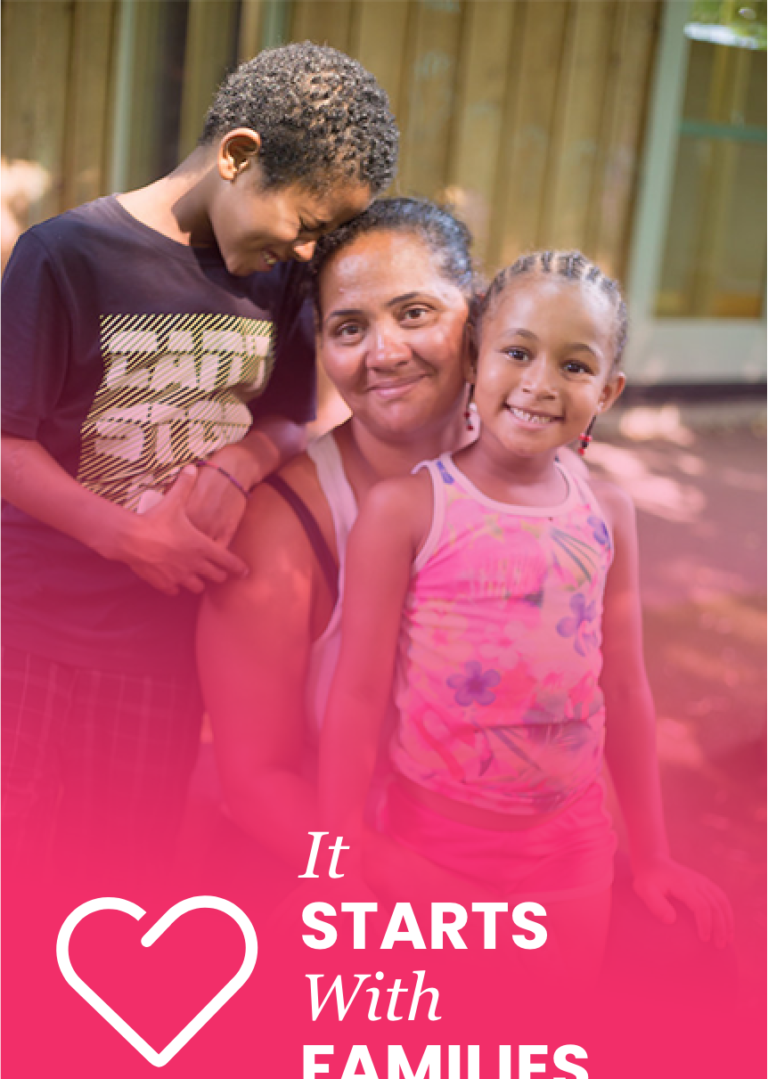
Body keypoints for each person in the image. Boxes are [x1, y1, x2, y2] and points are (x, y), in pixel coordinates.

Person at [0, 42, 398, 861]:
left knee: (121, 864)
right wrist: (126, 537)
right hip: (30, 629)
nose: (304, 252)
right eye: (304, 224)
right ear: (238, 155)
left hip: (160, 647)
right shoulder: (65, 255)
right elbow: (6, 443)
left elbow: (292, 417)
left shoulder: (278, 280)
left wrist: (235, 466)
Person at [319, 249, 734, 980]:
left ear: (608, 391)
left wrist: (654, 856)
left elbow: (628, 690)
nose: (541, 384)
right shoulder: (407, 510)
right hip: (427, 843)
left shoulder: (608, 513)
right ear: (475, 360)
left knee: (545, 1044)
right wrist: (336, 854)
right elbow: (357, 694)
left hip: (572, 849)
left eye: (575, 367)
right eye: (518, 352)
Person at [196, 198, 477, 874]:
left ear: (478, 312)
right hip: (344, 870)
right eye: (350, 328)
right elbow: (256, 785)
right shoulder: (278, 530)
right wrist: (418, 891)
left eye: (415, 313)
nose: (384, 353)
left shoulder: (540, 482)